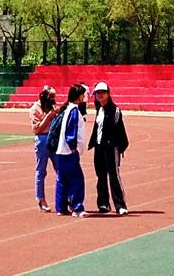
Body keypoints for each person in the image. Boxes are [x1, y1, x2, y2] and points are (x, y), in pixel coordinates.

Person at [87, 81, 130, 215]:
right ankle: (103, 203)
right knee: (100, 176)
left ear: (108, 94)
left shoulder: (115, 110)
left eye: (102, 92)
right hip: (99, 147)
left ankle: (120, 205)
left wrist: (118, 146)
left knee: (114, 176)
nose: (99, 95)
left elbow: (119, 130)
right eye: (97, 93)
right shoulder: (98, 108)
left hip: (111, 147)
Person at [49, 83, 88, 217]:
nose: (84, 96)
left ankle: (61, 207)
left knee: (62, 179)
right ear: (79, 96)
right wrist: (74, 148)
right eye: (83, 94)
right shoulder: (74, 111)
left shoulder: (65, 109)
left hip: (60, 150)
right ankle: (77, 208)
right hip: (68, 151)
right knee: (76, 179)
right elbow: (72, 132)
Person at [29, 85, 58, 211]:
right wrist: (49, 116)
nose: (53, 99)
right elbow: (37, 129)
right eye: (51, 97)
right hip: (42, 139)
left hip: (53, 139)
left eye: (54, 97)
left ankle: (65, 198)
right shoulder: (35, 109)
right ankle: (41, 199)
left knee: (60, 169)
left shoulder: (52, 107)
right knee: (41, 170)